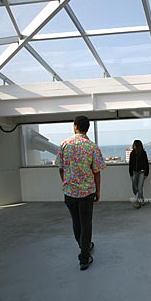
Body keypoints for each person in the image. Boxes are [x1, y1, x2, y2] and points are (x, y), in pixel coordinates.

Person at [56, 116, 106, 270]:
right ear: (88, 128)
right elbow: (97, 172)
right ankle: (84, 257)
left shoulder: (65, 144)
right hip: (86, 192)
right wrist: (98, 191)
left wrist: (66, 183)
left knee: (76, 221)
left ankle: (83, 246)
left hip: (70, 192)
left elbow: (60, 168)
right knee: (86, 223)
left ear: (75, 126)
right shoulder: (92, 146)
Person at [129, 140, 149, 209]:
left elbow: (146, 163)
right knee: (135, 187)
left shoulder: (143, 153)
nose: (133, 145)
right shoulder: (132, 153)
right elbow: (130, 164)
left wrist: (146, 173)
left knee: (140, 187)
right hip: (134, 171)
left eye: (134, 144)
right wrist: (130, 172)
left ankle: (138, 202)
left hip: (142, 172)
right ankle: (142, 200)